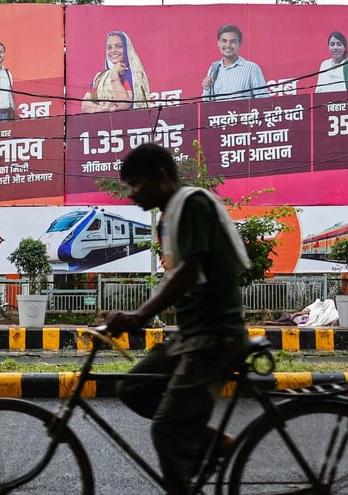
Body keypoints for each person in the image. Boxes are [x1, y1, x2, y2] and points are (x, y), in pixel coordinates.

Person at [105, 143, 251, 495]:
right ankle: (215, 442)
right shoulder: (168, 218)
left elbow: (189, 270)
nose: (131, 194)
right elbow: (174, 279)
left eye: (136, 184)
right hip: (192, 335)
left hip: (216, 336)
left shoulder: (193, 204)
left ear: (160, 176)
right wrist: (131, 317)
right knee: (133, 388)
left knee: (166, 430)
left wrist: (140, 315)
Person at [82, 31, 151, 113]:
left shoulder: (134, 74)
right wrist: (102, 109)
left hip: (130, 122)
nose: (113, 50)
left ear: (126, 48)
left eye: (119, 46)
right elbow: (85, 105)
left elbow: (123, 104)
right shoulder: (100, 77)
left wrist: (114, 74)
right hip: (101, 122)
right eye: (109, 47)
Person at [202, 24, 269, 102]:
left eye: (232, 42)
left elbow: (263, 101)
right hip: (220, 114)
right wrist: (206, 88)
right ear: (218, 43)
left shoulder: (251, 68)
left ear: (240, 44)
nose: (228, 45)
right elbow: (206, 103)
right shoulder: (214, 68)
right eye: (224, 41)